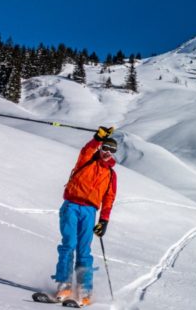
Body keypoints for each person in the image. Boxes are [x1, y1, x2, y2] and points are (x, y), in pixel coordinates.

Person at [52, 126, 118, 306]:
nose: (107, 153)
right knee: (68, 245)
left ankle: (84, 289)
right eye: (105, 148)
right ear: (101, 148)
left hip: (89, 211)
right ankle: (64, 284)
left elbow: (109, 199)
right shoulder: (87, 160)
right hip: (71, 206)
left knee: (83, 250)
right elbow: (87, 149)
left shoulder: (111, 175)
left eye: (112, 151)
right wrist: (97, 138)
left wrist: (104, 220)